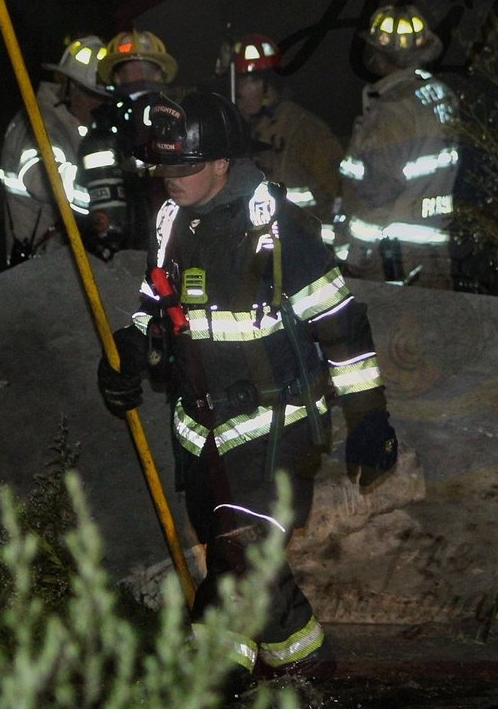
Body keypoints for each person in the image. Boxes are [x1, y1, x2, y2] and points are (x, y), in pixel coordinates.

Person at [95, 91, 399, 677]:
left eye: (185, 167)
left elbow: (342, 327)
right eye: (163, 168)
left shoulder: (279, 231)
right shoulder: (170, 220)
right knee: (236, 566)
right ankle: (261, 670)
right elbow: (155, 305)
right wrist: (129, 351)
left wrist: (369, 419)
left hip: (274, 433)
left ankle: (247, 677)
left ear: (222, 164)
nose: (171, 180)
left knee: (243, 556)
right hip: (202, 435)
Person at [338, 5, 459, 289]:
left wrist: (354, 255)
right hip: (434, 252)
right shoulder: (441, 95)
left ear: (379, 56)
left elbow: (377, 190)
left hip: (390, 261)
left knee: (390, 333)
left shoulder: (392, 109)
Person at [0, 34, 109, 264]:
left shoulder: (76, 128)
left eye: (103, 97)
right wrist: (104, 193)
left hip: (65, 263)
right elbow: (43, 177)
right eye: (91, 94)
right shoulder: (37, 123)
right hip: (35, 269)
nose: (98, 104)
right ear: (68, 88)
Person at [224, 32, 343, 238]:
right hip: (262, 249)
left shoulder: (304, 129)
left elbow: (338, 194)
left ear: (267, 85)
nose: (239, 92)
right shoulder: (242, 131)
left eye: (245, 81)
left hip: (302, 246)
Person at [77, 29, 179, 259]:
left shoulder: (183, 116)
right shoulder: (104, 130)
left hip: (182, 240)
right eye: (128, 69)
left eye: (145, 68)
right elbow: (100, 204)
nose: (138, 74)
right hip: (132, 251)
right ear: (116, 78)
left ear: (159, 75)